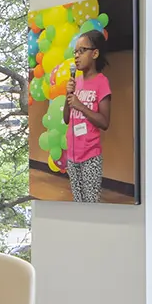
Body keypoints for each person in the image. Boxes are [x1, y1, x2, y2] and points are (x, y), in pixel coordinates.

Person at [62, 29, 112, 203]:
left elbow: (104, 122)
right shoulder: (75, 82)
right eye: (75, 51)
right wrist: (68, 95)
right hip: (72, 155)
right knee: (78, 201)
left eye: (82, 51)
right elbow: (66, 118)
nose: (76, 56)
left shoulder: (101, 82)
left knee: (90, 203)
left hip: (90, 156)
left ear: (95, 53)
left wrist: (80, 106)